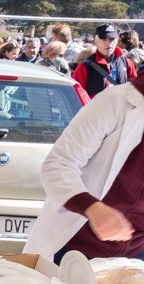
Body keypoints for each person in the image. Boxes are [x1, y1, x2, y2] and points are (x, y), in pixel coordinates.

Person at [23, 71, 144, 262]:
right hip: (75, 249)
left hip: (137, 256)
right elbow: (58, 164)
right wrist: (92, 208)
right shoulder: (115, 102)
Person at [72, 23, 138, 98]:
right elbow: (75, 95)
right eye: (104, 39)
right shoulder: (84, 67)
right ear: (95, 42)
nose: (108, 43)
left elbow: (135, 91)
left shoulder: (127, 63)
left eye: (112, 39)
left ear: (117, 41)